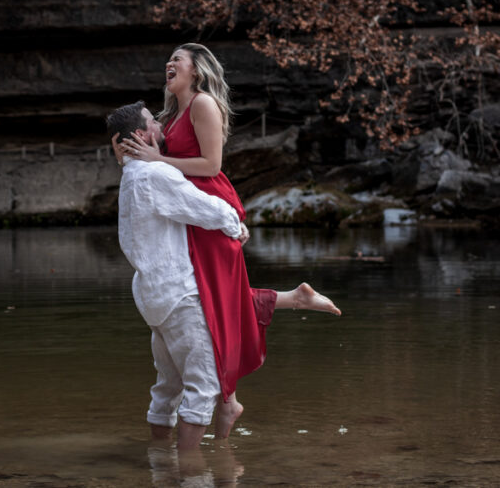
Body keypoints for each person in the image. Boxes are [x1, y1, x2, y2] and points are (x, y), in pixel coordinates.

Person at [115, 43, 340, 427]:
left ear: (197, 71)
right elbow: (141, 157)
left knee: (214, 296)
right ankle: (288, 306)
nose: (169, 64)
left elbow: (211, 164)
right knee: (211, 297)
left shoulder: (203, 104)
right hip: (187, 208)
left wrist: (160, 161)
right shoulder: (169, 115)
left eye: (177, 60)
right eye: (167, 59)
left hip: (210, 203)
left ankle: (227, 399)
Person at [107, 100, 248, 450]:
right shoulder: (155, 174)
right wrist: (236, 224)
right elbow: (202, 208)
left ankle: (159, 459)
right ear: (142, 135)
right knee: (203, 386)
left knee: (169, 385)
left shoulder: (131, 175)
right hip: (178, 294)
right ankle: (192, 471)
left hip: (152, 297)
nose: (160, 126)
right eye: (153, 122)